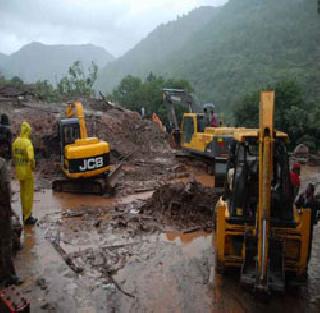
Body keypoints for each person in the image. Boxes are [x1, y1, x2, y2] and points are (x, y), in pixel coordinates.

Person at [0, 158, 22, 286]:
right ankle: (8, 276)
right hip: (1, 210)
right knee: (5, 242)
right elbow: (5, 189)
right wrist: (8, 210)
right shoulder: (2, 164)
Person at [12, 121, 37, 225]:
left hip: (19, 172)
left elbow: (13, 154)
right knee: (28, 195)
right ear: (27, 131)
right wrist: (33, 166)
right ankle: (28, 217)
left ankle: (24, 214)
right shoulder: (27, 143)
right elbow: (31, 158)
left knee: (22, 195)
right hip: (27, 173)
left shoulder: (16, 142)